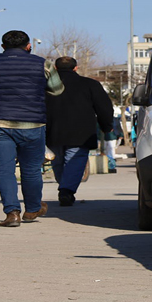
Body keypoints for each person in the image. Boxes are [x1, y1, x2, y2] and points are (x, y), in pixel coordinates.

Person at [0, 30, 64, 227]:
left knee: (4, 170)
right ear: (28, 46)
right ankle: (33, 209)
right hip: (32, 124)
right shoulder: (43, 64)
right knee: (32, 169)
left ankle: (12, 213)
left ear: (2, 47)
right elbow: (57, 89)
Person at [46, 56, 115, 206]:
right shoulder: (90, 84)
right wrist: (106, 125)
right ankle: (66, 190)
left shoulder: (45, 85)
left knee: (57, 161)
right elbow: (104, 107)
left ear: (55, 68)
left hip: (52, 130)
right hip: (81, 132)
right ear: (75, 68)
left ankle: (64, 186)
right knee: (74, 161)